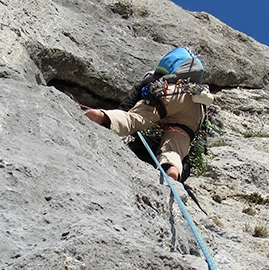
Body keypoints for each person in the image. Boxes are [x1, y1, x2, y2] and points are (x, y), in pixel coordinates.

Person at [84, 48, 210, 182]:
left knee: (134, 119)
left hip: (170, 94)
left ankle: (101, 117)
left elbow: (128, 106)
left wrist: (120, 116)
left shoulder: (152, 78)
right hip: (196, 109)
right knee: (177, 144)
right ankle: (172, 168)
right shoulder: (195, 85)